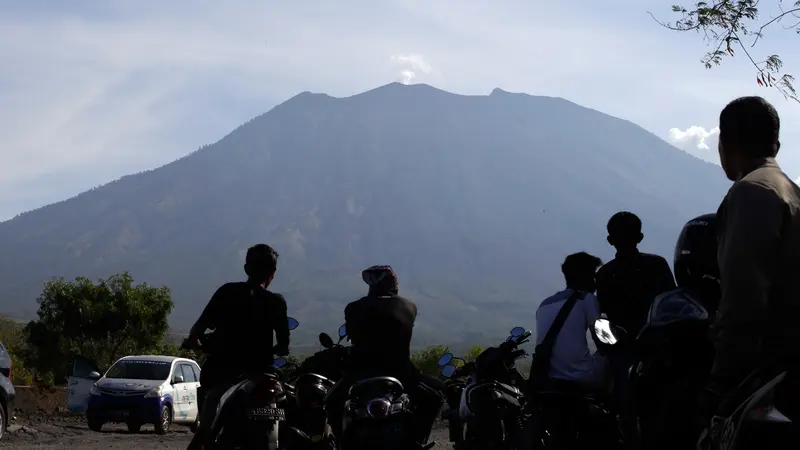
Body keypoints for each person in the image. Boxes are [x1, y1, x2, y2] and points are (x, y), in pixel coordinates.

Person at [702, 96, 800, 427]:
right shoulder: (790, 190)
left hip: (766, 370)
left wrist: (724, 376)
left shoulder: (751, 191)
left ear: (723, 143)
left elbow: (744, 292)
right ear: (777, 144)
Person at [324, 265, 444, 445]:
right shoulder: (409, 306)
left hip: (360, 373)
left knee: (331, 402)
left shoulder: (354, 308)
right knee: (436, 396)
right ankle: (419, 440)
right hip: (402, 374)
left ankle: (341, 443)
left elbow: (352, 336)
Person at [186, 244, 290, 450]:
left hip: (224, 373)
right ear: (272, 274)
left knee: (206, 427)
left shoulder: (227, 293)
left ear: (246, 268)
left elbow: (199, 328)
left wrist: (196, 340)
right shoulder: (276, 302)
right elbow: (284, 344)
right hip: (262, 374)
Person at [595, 211, 677, 338]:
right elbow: (671, 302)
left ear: (610, 240)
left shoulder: (604, 273)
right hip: (657, 340)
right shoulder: (657, 264)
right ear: (640, 237)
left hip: (622, 346)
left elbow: (603, 312)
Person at [534, 252, 607, 390]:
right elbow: (603, 341)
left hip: (548, 377)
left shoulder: (545, 304)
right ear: (587, 276)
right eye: (594, 275)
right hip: (582, 376)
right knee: (614, 360)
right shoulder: (587, 299)